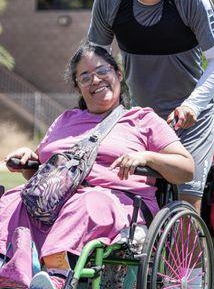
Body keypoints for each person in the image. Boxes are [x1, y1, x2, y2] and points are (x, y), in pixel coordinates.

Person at [0, 41, 194, 289]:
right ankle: (10, 273)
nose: (95, 80)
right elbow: (43, 178)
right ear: (78, 87)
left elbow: (186, 168)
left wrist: (147, 157)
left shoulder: (142, 119)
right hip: (59, 201)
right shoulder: (65, 120)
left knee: (88, 201)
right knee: (13, 200)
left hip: (116, 202)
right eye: (85, 77)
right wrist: (29, 158)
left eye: (102, 71)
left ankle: (58, 277)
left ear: (118, 74)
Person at [88, 0, 214, 214]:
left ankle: (188, 261)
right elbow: (95, 61)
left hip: (190, 120)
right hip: (141, 120)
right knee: (125, 196)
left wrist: (193, 104)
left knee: (184, 204)